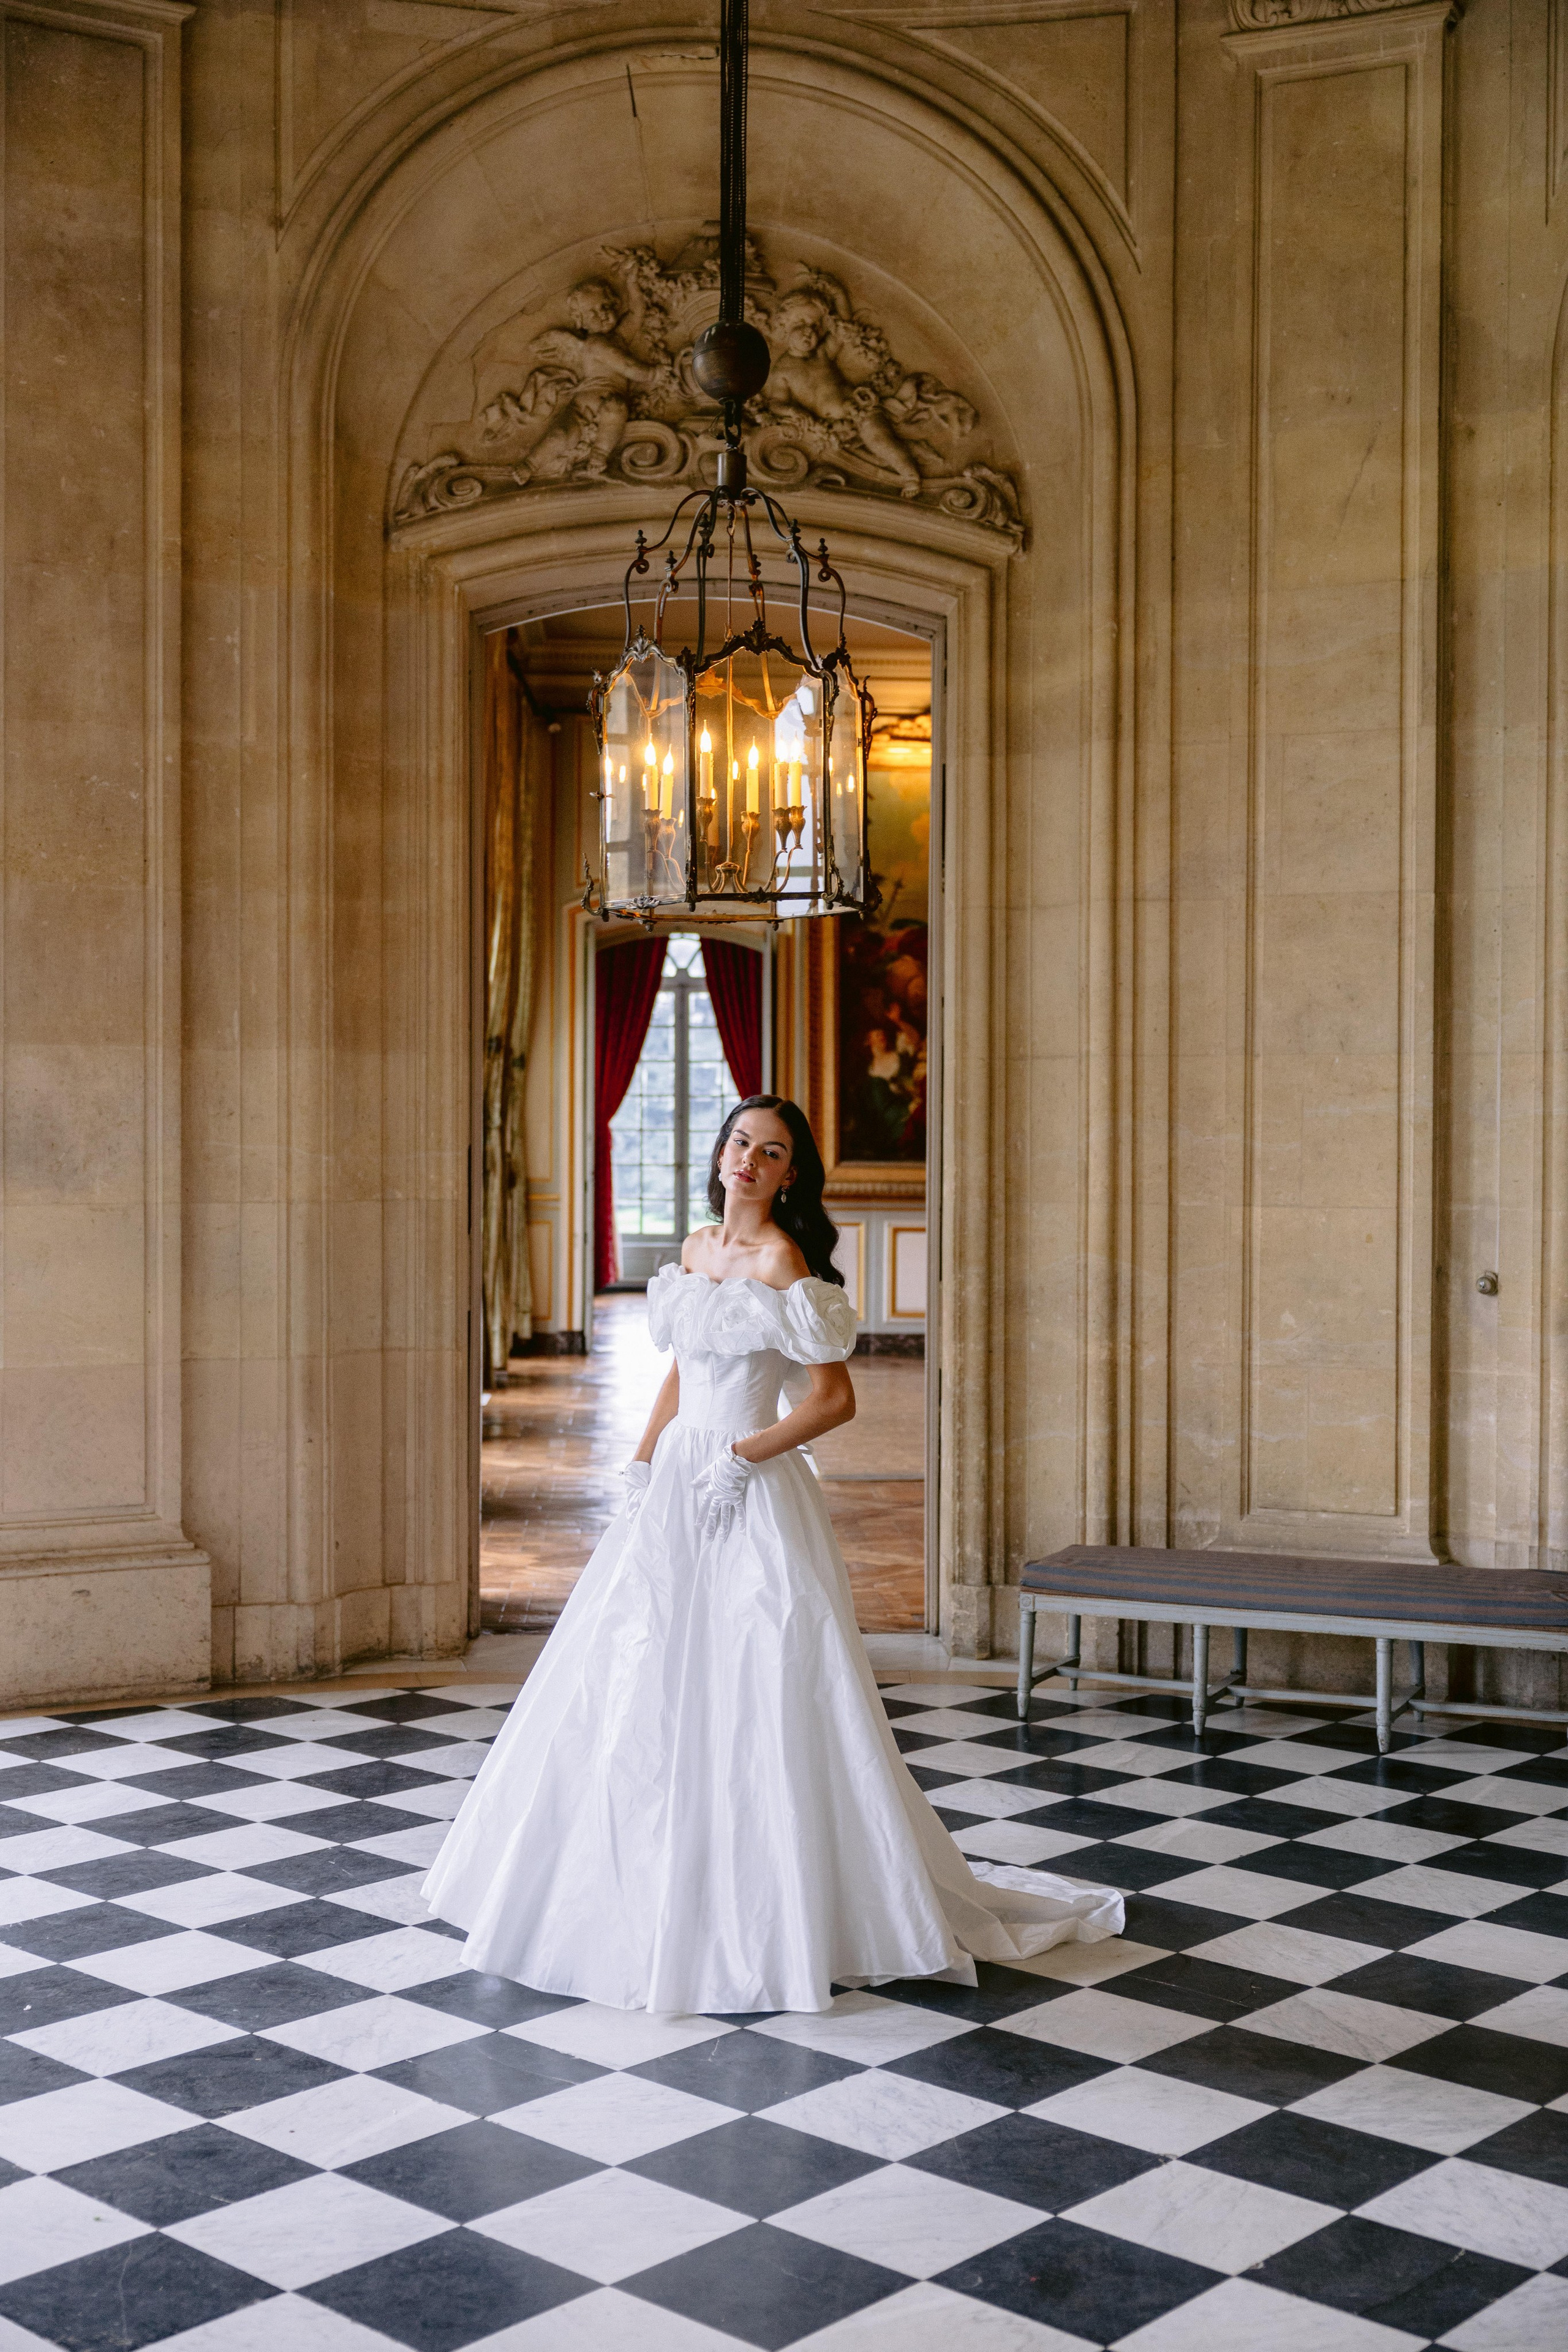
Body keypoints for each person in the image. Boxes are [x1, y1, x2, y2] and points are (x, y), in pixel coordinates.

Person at [423, 1094, 1121, 2014]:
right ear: (721, 1154)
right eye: (741, 1142)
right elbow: (681, 1371)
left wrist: (741, 1456)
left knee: (760, 1672)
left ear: (791, 1176)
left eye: (773, 1152)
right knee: (640, 1664)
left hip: (746, 1485)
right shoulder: (694, 1249)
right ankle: (635, 1883)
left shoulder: (785, 1262)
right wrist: (641, 1463)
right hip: (679, 1480)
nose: (750, 1160)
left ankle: (776, 1903)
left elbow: (835, 1401)